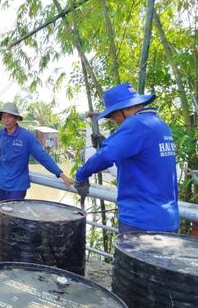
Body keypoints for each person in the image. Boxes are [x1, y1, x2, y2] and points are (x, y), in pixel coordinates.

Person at [74, 82, 179, 233]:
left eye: (113, 115)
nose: (113, 120)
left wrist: (81, 175)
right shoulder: (160, 125)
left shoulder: (136, 124)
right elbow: (141, 158)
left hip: (141, 220)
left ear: (127, 108)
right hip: (167, 218)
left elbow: (105, 156)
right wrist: (107, 143)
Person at [0, 102, 74, 203]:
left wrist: (62, 175)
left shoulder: (27, 136)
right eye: (3, 117)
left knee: (13, 216)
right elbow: (2, 156)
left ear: (16, 118)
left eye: (9, 117)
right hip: (0, 183)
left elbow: (42, 157)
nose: (6, 120)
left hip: (18, 186)